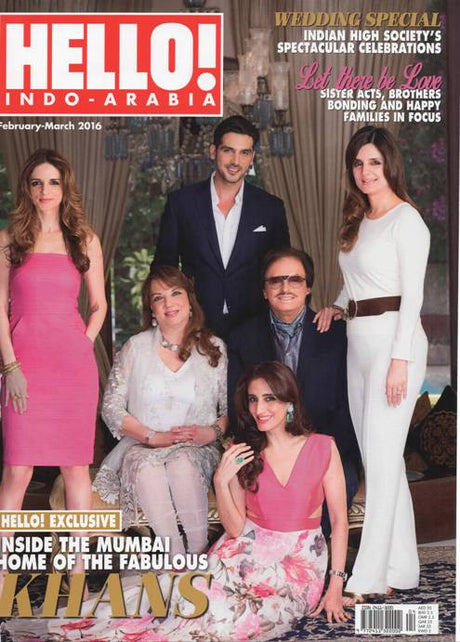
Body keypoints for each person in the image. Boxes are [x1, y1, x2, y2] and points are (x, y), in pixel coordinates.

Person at [51, 362, 350, 640]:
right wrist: (222, 480)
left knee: (225, 619)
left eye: (269, 399)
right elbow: (235, 529)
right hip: (245, 554)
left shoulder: (323, 447)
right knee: (187, 600)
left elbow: (338, 521)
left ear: (289, 401)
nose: (259, 409)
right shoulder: (242, 452)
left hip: (297, 567)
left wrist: (335, 585)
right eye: (253, 400)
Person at [315, 126, 430, 599]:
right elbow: (358, 282)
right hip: (358, 344)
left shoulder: (408, 221)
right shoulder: (358, 219)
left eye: (374, 163)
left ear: (390, 166)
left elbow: (412, 297)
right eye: (358, 164)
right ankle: (402, 569)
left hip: (394, 346)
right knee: (381, 460)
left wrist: (400, 361)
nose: (365, 172)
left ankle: (365, 578)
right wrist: (337, 305)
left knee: (381, 463)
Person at [0, 148, 106, 579]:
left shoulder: (85, 240)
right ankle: (2, 572)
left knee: (76, 469)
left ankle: (77, 571)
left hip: (73, 371)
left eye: (54, 182)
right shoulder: (9, 240)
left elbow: (98, 305)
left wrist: (83, 344)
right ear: (27, 188)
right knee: (17, 470)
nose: (46, 190)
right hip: (23, 369)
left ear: (65, 188)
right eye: (37, 182)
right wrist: (11, 368)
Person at [93, 265, 227, 556]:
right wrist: (152, 437)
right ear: (151, 309)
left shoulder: (214, 348)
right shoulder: (135, 347)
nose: (168, 303)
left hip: (196, 447)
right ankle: (174, 557)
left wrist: (211, 432)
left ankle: (199, 553)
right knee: (147, 468)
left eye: (175, 293)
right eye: (158, 297)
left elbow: (230, 410)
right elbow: (111, 407)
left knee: (182, 464)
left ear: (190, 301)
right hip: (143, 445)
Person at [227, 248, 360, 535]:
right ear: (264, 291)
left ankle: (315, 555)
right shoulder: (242, 337)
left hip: (324, 443)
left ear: (308, 287)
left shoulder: (337, 335)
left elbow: (346, 403)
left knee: (345, 478)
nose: (285, 287)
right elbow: (237, 403)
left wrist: (320, 449)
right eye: (275, 281)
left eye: (295, 280)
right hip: (264, 446)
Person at [152, 115, 290, 339]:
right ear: (213, 151)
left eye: (244, 153)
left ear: (252, 158)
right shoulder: (181, 204)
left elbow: (283, 271)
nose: (236, 161)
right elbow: (163, 268)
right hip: (196, 326)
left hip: (256, 328)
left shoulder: (270, 208)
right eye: (228, 151)